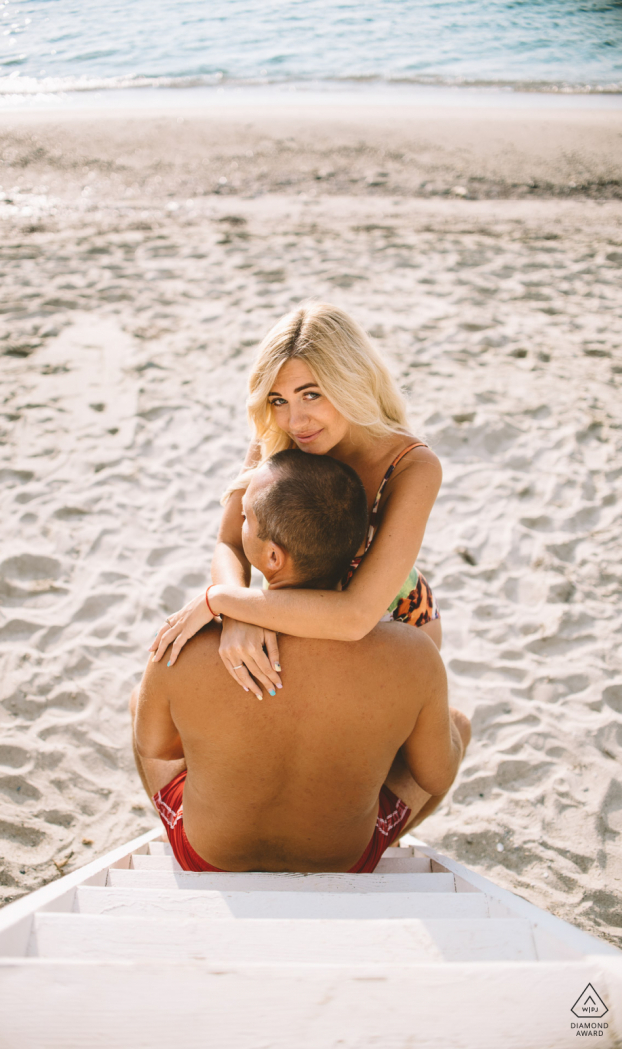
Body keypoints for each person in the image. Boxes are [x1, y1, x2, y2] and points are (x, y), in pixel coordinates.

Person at [133, 450, 470, 873]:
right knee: (454, 725)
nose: (238, 524)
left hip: (209, 855)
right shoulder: (414, 653)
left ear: (272, 557)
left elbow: (156, 748)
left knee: (140, 702)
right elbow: (435, 778)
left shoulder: (188, 641)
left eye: (246, 519)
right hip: (342, 860)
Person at [150, 302, 443, 701]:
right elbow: (231, 541)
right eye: (277, 399)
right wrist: (239, 616)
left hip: (392, 623)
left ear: (351, 382)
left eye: (311, 394)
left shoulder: (412, 466)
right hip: (294, 606)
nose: (295, 421)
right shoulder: (276, 435)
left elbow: (356, 616)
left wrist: (224, 601)